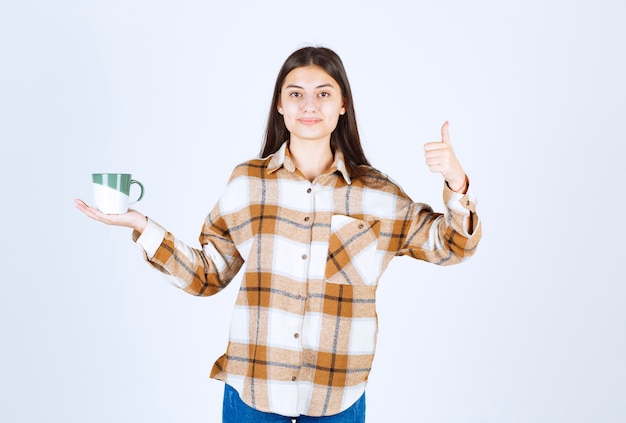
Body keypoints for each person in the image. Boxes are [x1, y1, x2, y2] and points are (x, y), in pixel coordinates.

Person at [75, 46, 481, 422]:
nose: (309, 105)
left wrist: (457, 183)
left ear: (342, 105)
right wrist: (142, 227)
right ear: (280, 106)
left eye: (323, 94)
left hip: (336, 396)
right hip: (253, 391)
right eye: (296, 94)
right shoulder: (247, 184)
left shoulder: (376, 194)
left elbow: (451, 246)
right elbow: (207, 275)